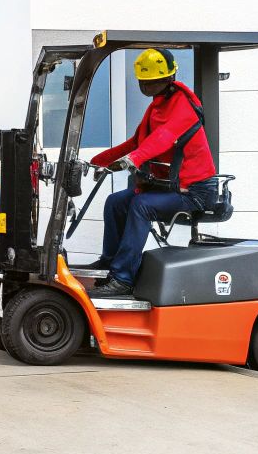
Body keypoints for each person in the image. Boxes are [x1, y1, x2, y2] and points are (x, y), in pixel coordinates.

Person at [85, 48, 219, 296]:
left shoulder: (184, 108)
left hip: (195, 191)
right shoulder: (157, 106)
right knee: (115, 202)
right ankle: (109, 264)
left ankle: (123, 278)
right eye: (142, 82)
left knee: (141, 205)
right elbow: (138, 141)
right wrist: (99, 160)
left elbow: (163, 138)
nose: (145, 87)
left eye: (151, 82)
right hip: (171, 186)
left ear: (168, 79)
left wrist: (133, 160)